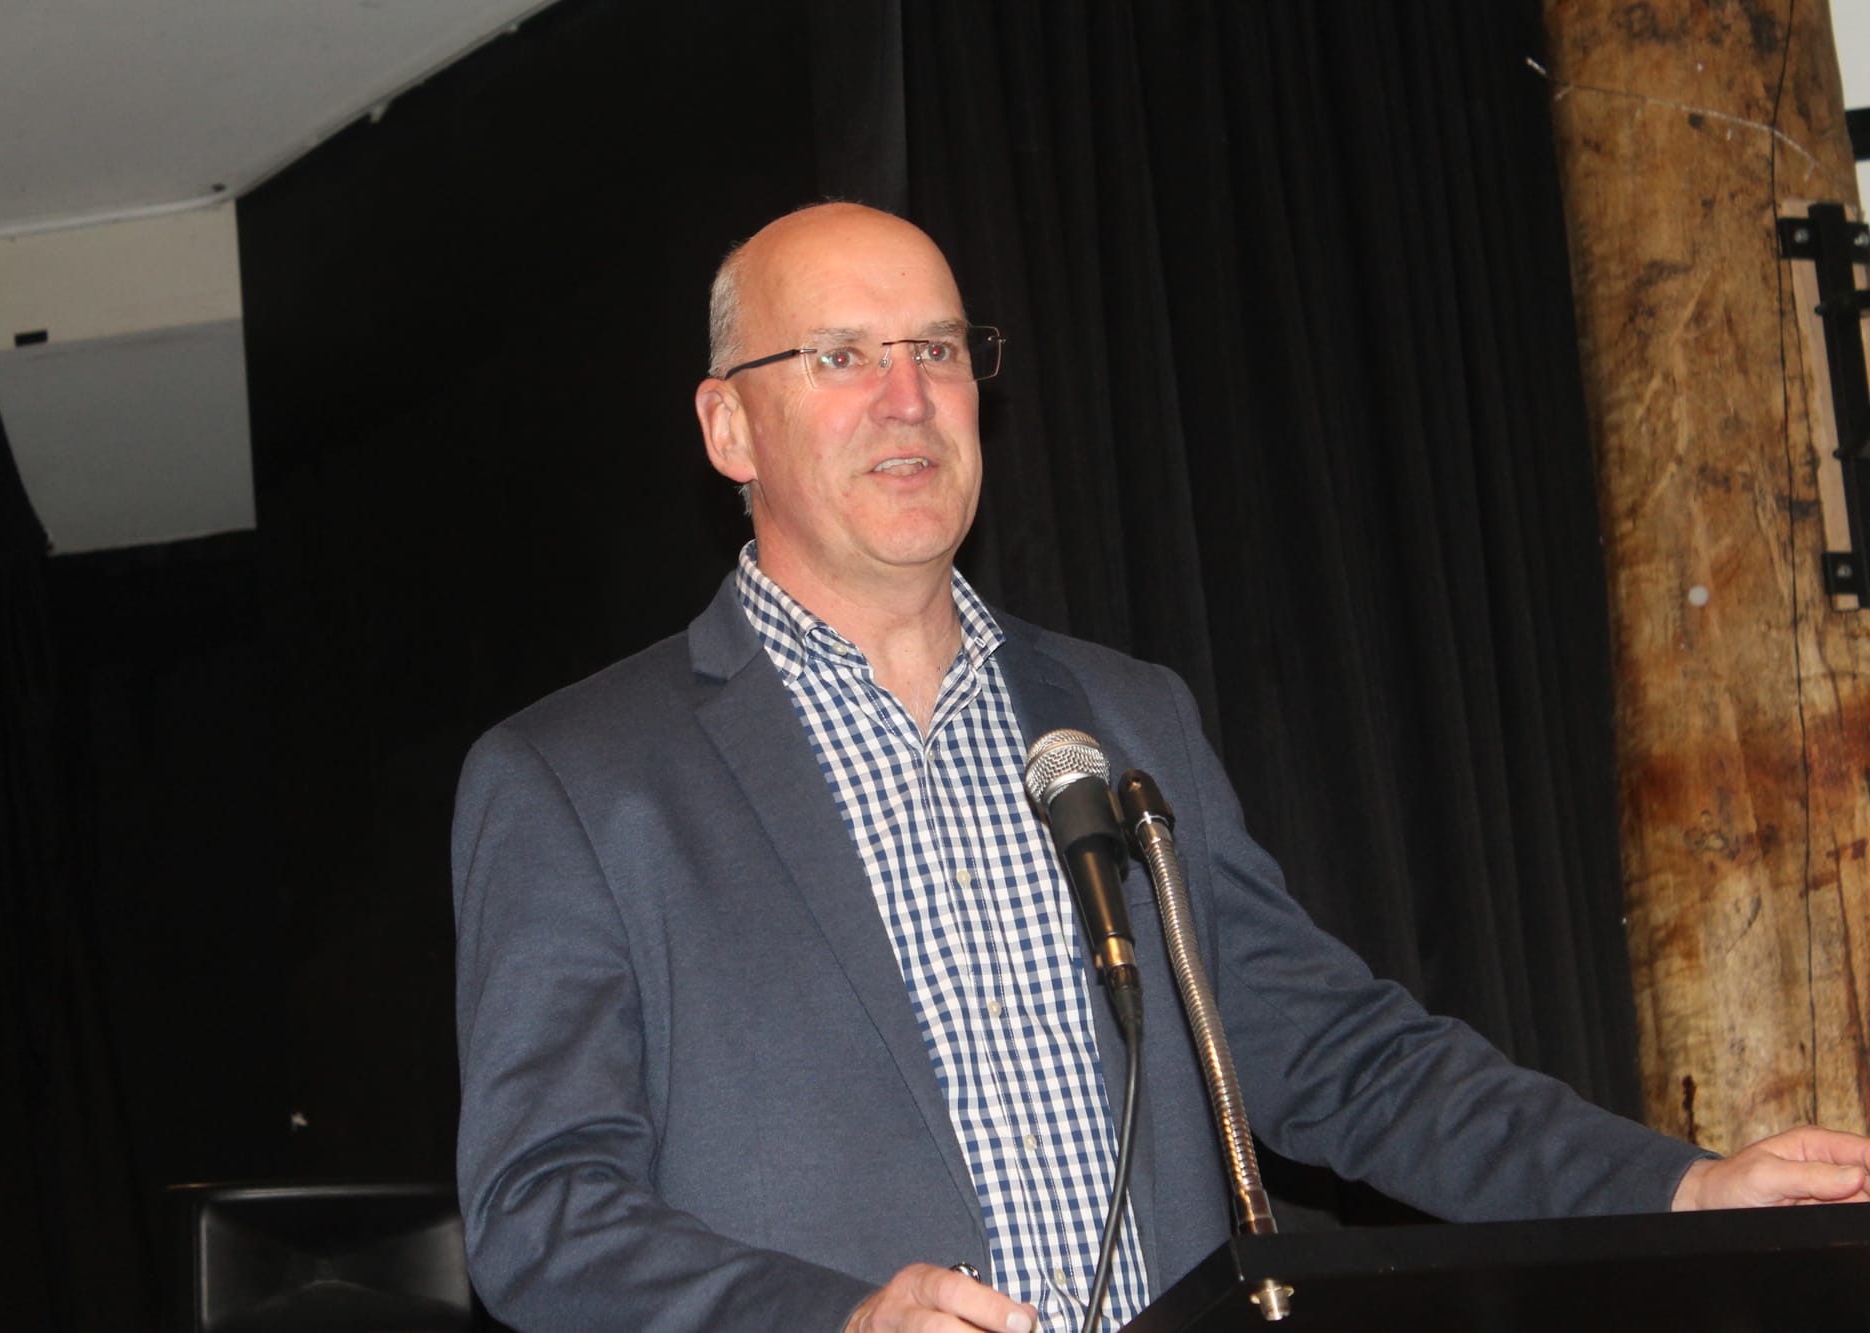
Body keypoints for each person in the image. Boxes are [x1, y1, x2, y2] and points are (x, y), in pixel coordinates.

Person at [451, 202, 1870, 1333]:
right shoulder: (579, 780)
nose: (907, 397)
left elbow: (1345, 1059)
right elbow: (542, 1210)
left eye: (941, 350)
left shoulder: (1119, 717)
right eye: (841, 355)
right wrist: (832, 1318)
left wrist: (1674, 1186)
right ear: (726, 425)